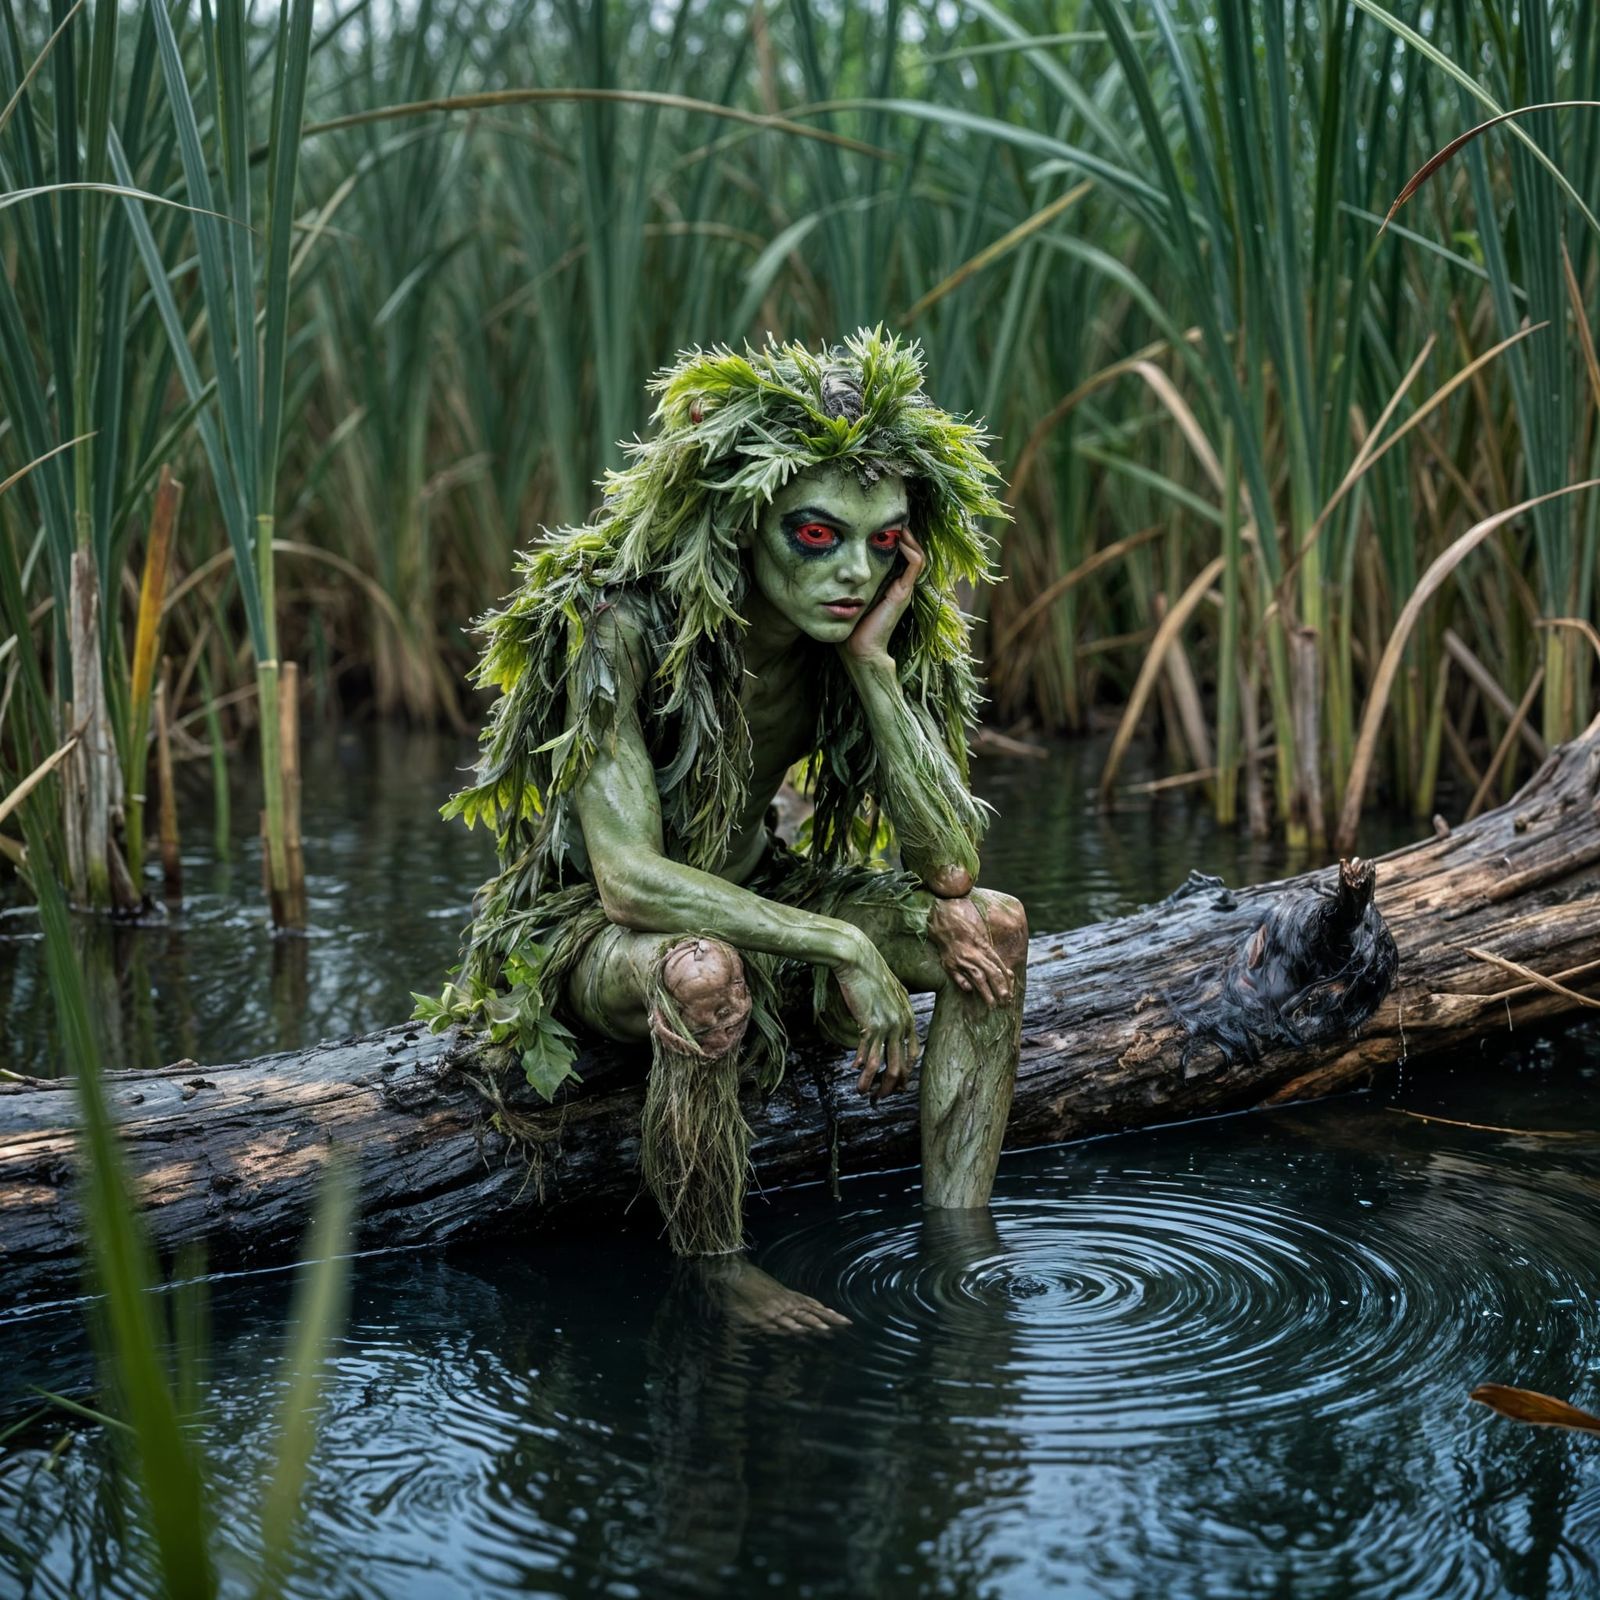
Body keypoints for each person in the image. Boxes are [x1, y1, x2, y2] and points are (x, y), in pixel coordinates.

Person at [443, 328, 1028, 1332]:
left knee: (994, 930)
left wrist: (873, 669)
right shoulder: (617, 624)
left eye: (881, 540)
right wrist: (835, 938)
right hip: (596, 933)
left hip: (763, 886)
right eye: (817, 536)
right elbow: (627, 880)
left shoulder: (855, 628)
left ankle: (959, 1240)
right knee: (704, 972)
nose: (851, 570)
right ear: (742, 517)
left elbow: (949, 865)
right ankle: (717, 1268)